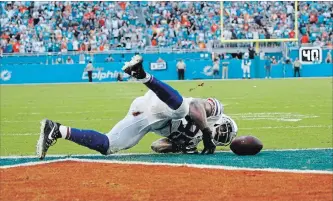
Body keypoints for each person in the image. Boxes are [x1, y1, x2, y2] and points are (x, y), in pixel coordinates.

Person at [36, 55, 232, 159]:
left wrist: (180, 146)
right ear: (222, 120)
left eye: (223, 136)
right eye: (224, 129)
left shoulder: (195, 142)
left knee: (110, 145)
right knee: (182, 110)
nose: (220, 133)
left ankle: (56, 129)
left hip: (150, 117)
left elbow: (157, 146)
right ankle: (143, 76)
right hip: (162, 104)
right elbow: (196, 104)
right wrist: (206, 131)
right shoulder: (214, 112)